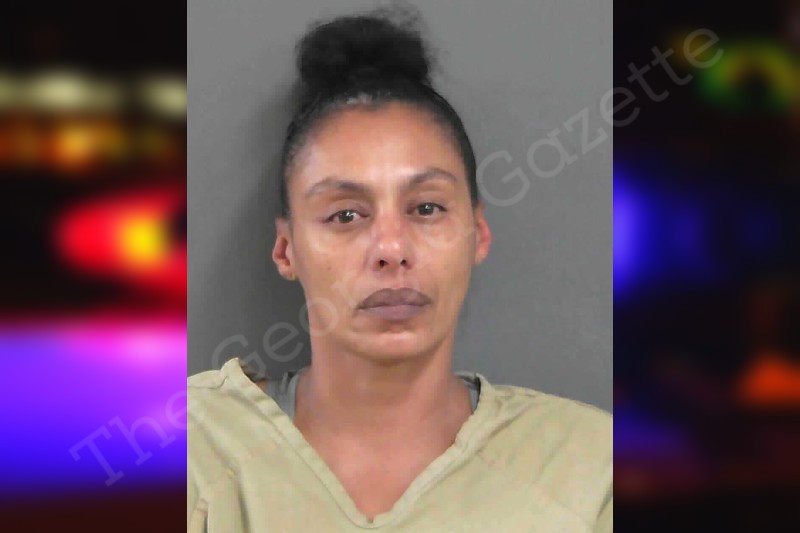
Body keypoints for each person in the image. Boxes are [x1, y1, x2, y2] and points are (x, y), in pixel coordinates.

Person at [187, 7, 612, 532]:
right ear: (286, 249)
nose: (391, 248)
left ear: (477, 233)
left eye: (426, 208)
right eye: (346, 215)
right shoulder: (192, 451)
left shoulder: (589, 470)